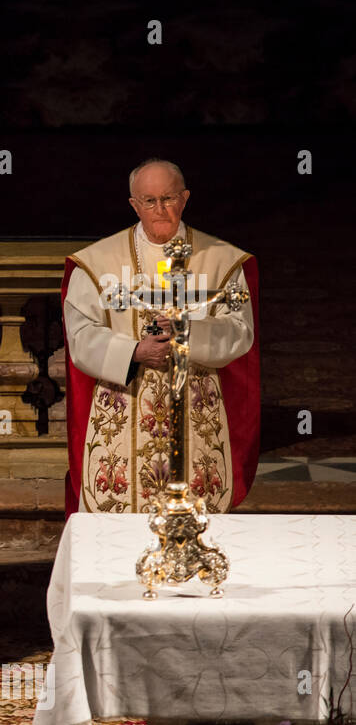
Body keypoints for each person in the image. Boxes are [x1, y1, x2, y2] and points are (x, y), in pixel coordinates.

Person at [61, 158, 260, 516]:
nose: (160, 209)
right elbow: (80, 335)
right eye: (149, 201)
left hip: (196, 412)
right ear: (134, 205)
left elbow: (240, 332)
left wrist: (188, 335)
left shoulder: (220, 259)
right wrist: (133, 351)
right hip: (122, 410)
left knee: (196, 527)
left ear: (185, 198)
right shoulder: (98, 261)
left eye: (168, 198)